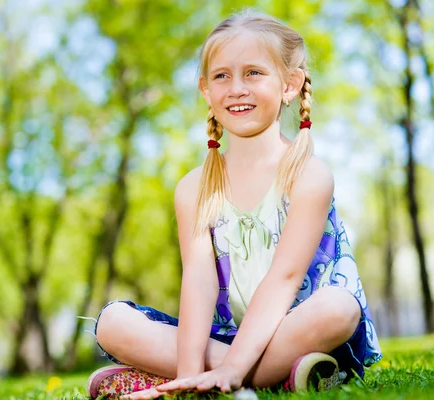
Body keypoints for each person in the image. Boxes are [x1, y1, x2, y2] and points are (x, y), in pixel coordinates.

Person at [85, 9, 382, 399]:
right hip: (226, 335)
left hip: (302, 331)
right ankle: (265, 377)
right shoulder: (194, 188)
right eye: (222, 76)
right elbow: (199, 280)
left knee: (338, 308)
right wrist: (192, 372)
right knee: (112, 321)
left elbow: (285, 280)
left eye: (253, 73)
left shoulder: (309, 175)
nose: (236, 88)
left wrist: (233, 367)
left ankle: (215, 375)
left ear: (290, 85)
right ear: (206, 89)